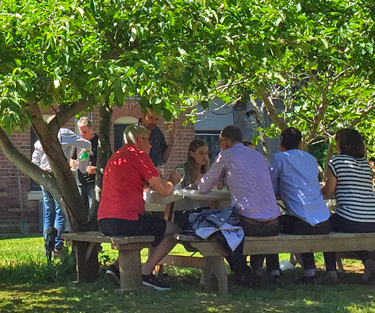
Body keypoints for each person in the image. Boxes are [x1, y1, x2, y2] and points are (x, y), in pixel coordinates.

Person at [98, 124, 179, 291]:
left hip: (104, 221)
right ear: (140, 140)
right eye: (149, 141)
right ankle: (146, 273)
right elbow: (164, 191)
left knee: (148, 229)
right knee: (174, 230)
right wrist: (173, 180)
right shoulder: (139, 155)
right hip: (125, 220)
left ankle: (115, 268)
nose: (151, 146)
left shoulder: (117, 156)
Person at [198, 125, 281, 286]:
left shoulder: (225, 156)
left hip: (249, 225)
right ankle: (256, 270)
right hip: (274, 223)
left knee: (215, 229)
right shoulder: (258, 156)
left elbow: (203, 187)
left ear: (227, 142)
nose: (220, 144)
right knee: (252, 217)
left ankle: (242, 270)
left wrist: (199, 180)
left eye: (220, 141)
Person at [265, 127, 331, 285]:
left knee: (271, 225)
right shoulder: (311, 159)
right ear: (301, 143)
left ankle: (274, 272)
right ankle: (310, 272)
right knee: (302, 216)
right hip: (324, 222)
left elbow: (270, 186)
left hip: (300, 223)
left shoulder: (279, 158)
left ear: (281, 144)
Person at [321, 128, 375, 283]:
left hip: (350, 218)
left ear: (342, 144)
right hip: (373, 220)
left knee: (324, 226)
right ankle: (367, 260)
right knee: (352, 225)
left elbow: (328, 191)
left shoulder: (337, 161)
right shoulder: (365, 164)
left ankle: (331, 271)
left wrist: (318, 187)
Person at [32, 123, 93, 253]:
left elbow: (34, 162)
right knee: (60, 211)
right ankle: (58, 245)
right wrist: (85, 153)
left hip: (44, 177)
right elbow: (87, 144)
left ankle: (47, 244)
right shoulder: (63, 133)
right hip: (57, 176)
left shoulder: (40, 140)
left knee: (49, 212)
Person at [72, 117, 99, 222]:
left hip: (94, 182)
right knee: (82, 212)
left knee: (93, 211)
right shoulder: (79, 142)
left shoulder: (98, 142)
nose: (82, 134)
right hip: (80, 182)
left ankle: (94, 232)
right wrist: (74, 163)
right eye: (80, 132)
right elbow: (71, 160)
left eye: (85, 131)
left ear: (91, 128)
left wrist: (96, 169)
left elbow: (107, 163)